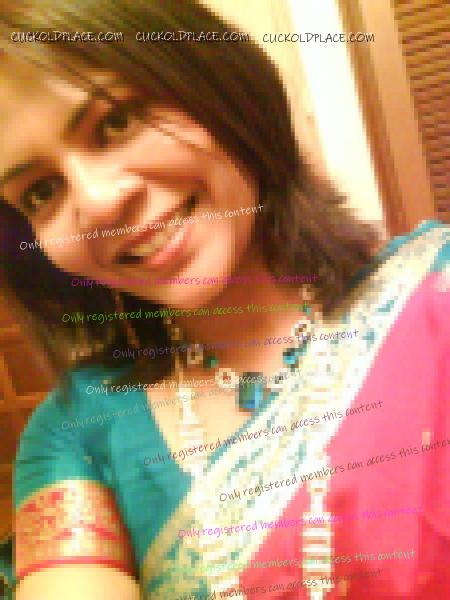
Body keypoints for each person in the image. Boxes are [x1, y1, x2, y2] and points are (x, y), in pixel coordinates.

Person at [0, 1, 448, 598]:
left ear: (216, 86)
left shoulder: (434, 301)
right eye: (41, 191)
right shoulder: (78, 428)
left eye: (117, 122)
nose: (100, 204)